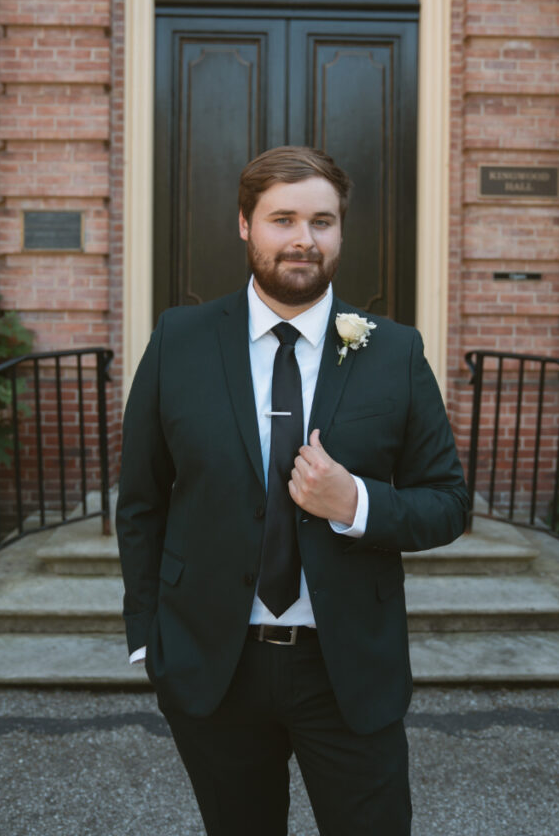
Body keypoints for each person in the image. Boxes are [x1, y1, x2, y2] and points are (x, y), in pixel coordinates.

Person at [116, 145, 469, 836]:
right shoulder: (179, 340)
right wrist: (148, 636)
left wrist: (357, 504)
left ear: (341, 231)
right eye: (282, 219)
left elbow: (447, 500)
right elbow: (140, 500)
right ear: (245, 225)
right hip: (213, 662)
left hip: (345, 668)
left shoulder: (392, 351)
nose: (303, 239)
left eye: (322, 221)